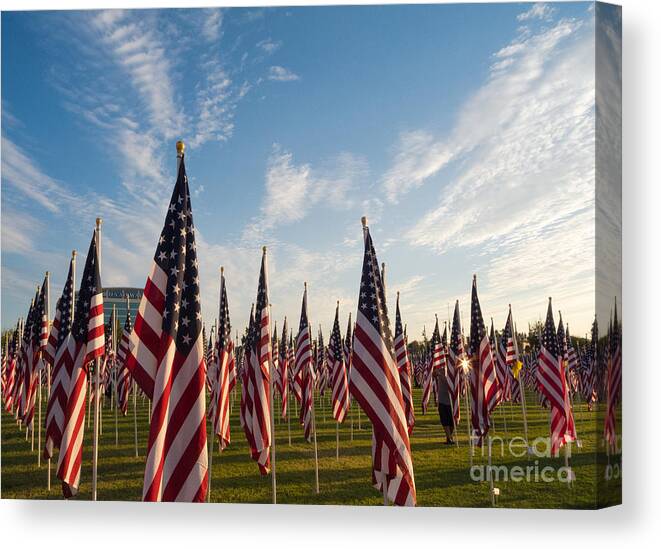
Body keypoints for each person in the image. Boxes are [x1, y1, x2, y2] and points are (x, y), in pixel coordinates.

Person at [435, 366, 455, 445]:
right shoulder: (439, 369)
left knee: (452, 421)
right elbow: (433, 374)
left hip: (452, 400)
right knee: (444, 420)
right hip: (442, 399)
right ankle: (449, 438)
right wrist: (437, 372)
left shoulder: (453, 369)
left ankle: (449, 437)